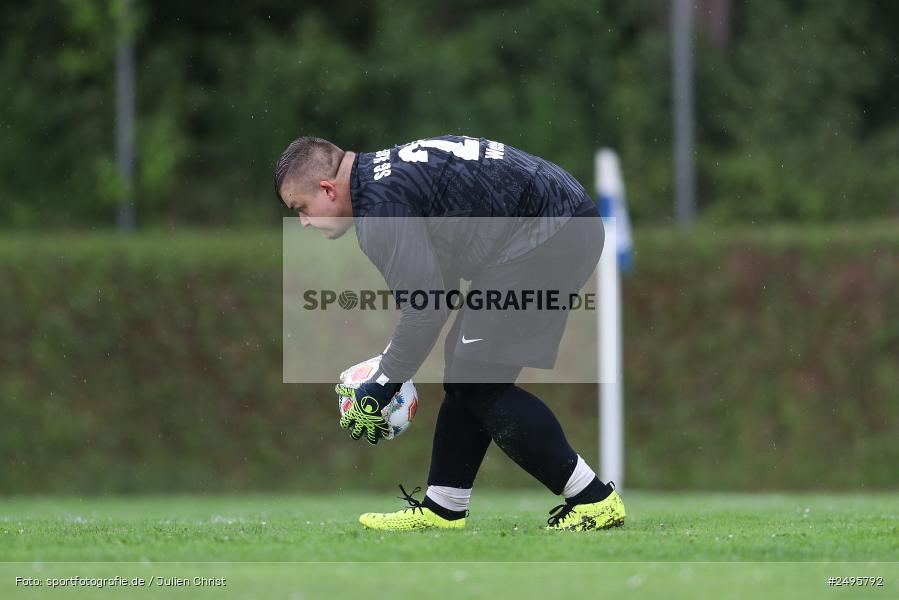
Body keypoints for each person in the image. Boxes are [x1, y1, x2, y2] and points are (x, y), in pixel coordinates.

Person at [275, 135, 625, 532]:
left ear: (327, 189)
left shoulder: (379, 212)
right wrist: (391, 366)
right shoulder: (380, 181)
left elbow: (426, 307)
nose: (304, 221)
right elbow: (435, 295)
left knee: (480, 383)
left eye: (301, 209)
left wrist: (383, 382)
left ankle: (593, 499)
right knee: (465, 373)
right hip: (560, 221)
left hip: (551, 231)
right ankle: (444, 508)